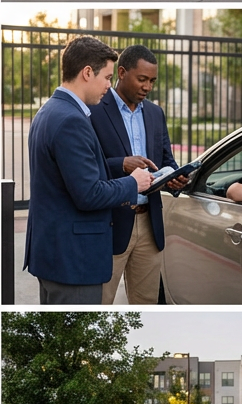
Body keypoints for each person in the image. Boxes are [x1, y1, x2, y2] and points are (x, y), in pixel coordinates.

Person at [24, 36, 154, 304]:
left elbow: (70, 176)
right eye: (107, 77)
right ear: (86, 73)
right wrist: (134, 183)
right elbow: (89, 194)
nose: (109, 85)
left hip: (54, 254)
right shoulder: (71, 120)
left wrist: (120, 167)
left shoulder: (49, 111)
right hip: (74, 261)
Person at [89, 45, 189, 304]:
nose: (147, 87)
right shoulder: (94, 109)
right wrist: (121, 164)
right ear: (122, 72)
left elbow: (166, 160)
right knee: (99, 304)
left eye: (152, 81)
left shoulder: (155, 113)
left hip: (149, 224)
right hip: (110, 223)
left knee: (146, 305)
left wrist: (175, 179)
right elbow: (87, 166)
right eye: (142, 79)